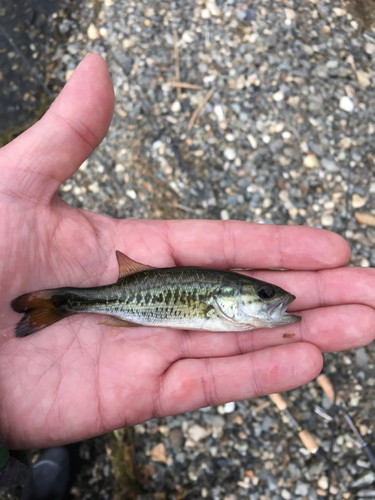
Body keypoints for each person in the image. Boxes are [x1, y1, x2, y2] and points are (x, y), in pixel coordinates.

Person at [0, 54, 374, 484]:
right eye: (264, 294)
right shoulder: (216, 310)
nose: (277, 299)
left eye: (267, 295)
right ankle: (61, 309)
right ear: (225, 301)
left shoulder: (224, 312)